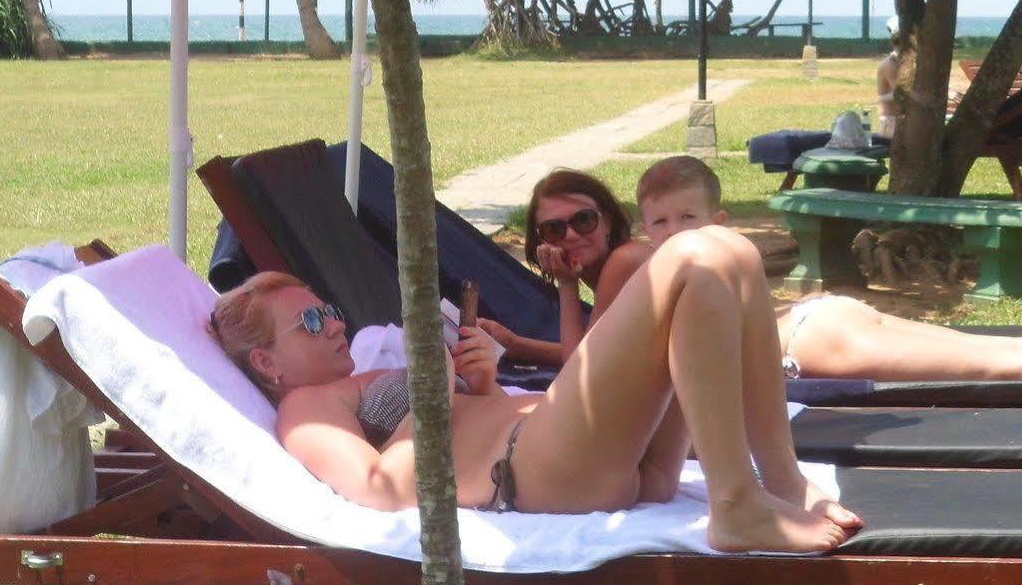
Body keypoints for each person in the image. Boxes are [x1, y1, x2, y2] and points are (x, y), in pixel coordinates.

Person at [205, 236, 862, 552]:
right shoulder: (304, 408)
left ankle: (779, 479)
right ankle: (735, 502)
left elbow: (458, 421)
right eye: (312, 321)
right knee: (686, 260)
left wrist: (478, 381)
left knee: (728, 254)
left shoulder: (365, 376)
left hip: (591, 455)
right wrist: (432, 396)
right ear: (267, 360)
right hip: (530, 465)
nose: (337, 322)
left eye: (331, 309)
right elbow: (380, 487)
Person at [631, 155, 1022, 488]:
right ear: (643, 228)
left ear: (721, 219)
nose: (675, 234)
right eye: (660, 223)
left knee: (1008, 362)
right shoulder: (693, 269)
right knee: (1006, 350)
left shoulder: (695, 271)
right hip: (823, 318)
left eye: (689, 217)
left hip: (818, 344)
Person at [479, 169, 651, 368]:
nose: (570, 235)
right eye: (553, 228)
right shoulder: (617, 261)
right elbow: (596, 351)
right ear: (541, 241)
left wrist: (567, 283)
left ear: (608, 222)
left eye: (584, 220)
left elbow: (580, 369)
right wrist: (515, 345)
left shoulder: (624, 261)